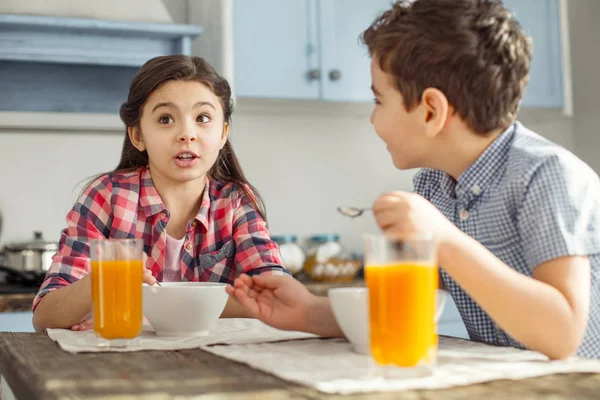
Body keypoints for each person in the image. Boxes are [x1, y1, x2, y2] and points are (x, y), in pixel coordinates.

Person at [227, 0, 600, 360]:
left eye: (379, 100)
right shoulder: (433, 187)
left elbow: (562, 333)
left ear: (431, 111)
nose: (373, 120)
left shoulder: (547, 175)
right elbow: (405, 308)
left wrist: (443, 239)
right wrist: (310, 312)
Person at [33, 55, 289, 332]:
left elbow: (277, 297)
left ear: (223, 133)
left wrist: (146, 309)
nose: (187, 134)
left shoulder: (236, 201)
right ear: (138, 135)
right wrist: (105, 280)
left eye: (203, 118)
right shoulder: (106, 197)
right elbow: (46, 318)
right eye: (165, 119)